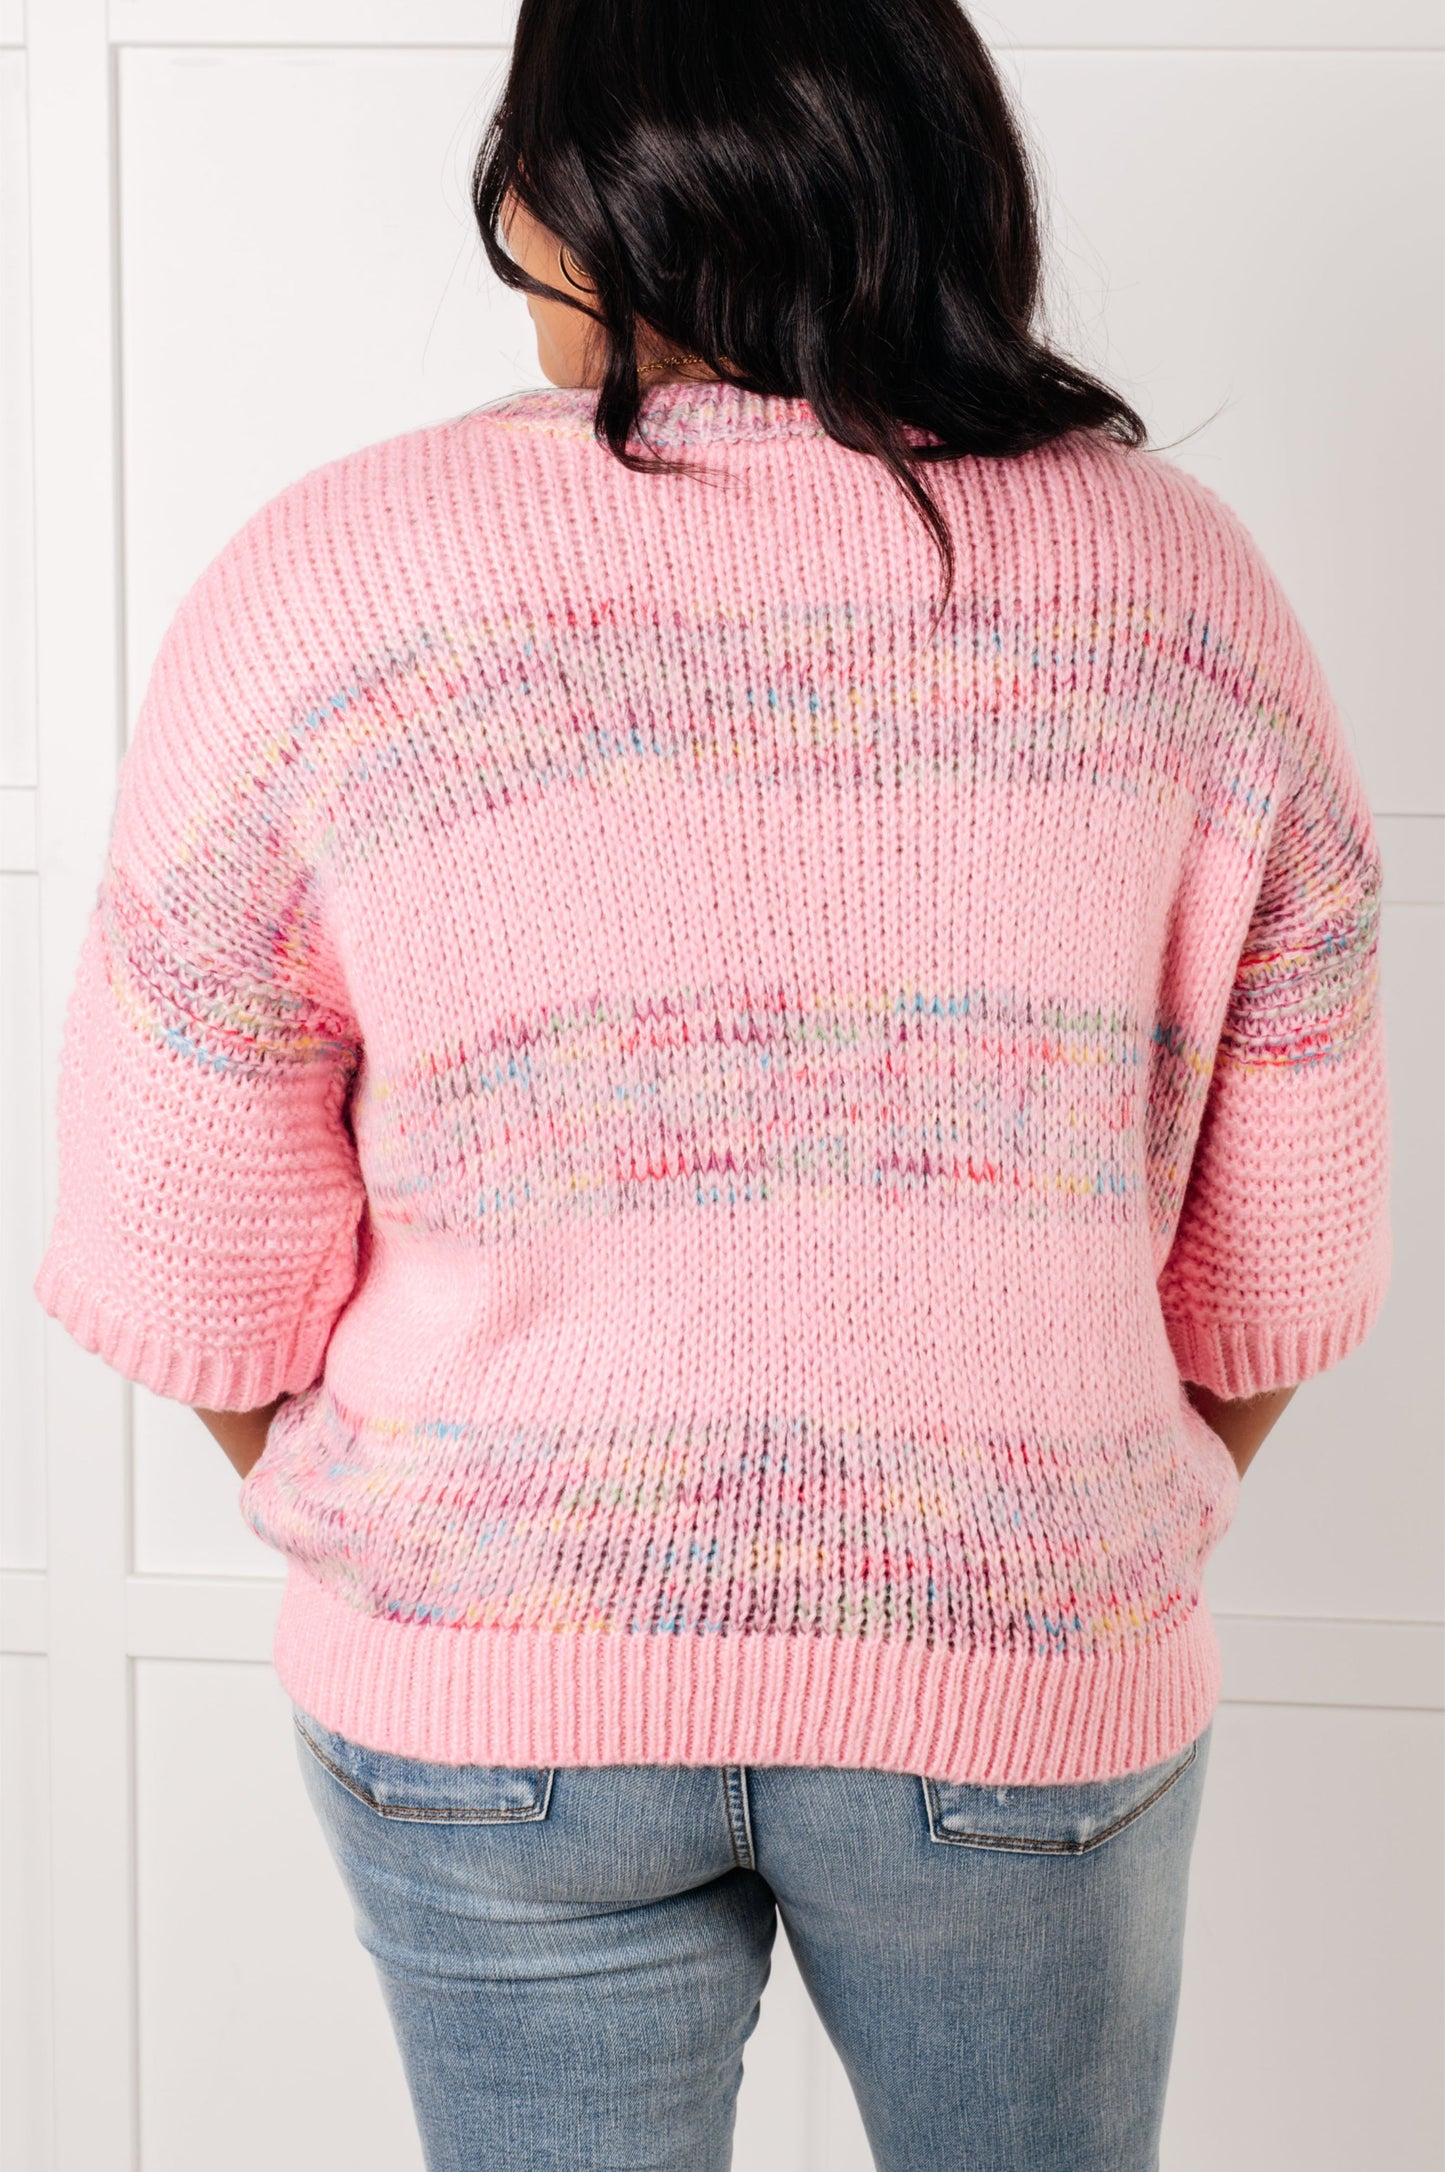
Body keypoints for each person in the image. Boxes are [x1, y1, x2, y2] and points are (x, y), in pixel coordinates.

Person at [33, 0, 1390, 2166]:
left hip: (487, 1693)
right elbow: (1284, 1256)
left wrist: (448, 1539)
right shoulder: (1177, 592)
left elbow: (182, 1244)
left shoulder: (328, 591)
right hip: (1022, 1674)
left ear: (595, 195)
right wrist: (1059, 1535)